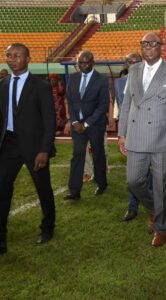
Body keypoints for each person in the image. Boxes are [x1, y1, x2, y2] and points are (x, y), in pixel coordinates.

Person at [118, 32, 166, 248]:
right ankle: (156, 208)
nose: (148, 47)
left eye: (153, 43)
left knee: (162, 186)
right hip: (136, 136)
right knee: (133, 181)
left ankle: (161, 228)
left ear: (160, 47)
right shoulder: (134, 70)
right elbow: (127, 104)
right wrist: (122, 133)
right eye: (144, 43)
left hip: (162, 139)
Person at [0, 43, 56, 254]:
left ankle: (48, 227)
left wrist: (44, 149)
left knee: (43, 188)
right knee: (2, 188)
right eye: (8, 55)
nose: (12, 59)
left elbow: (50, 121)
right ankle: (1, 238)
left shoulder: (40, 86)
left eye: (17, 55)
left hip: (34, 147)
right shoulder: (3, 84)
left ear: (28, 58)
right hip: (9, 145)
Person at [64, 51, 109, 200]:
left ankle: (101, 184)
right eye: (80, 63)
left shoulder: (102, 80)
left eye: (86, 62)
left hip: (95, 125)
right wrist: (75, 122)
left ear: (93, 62)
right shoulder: (73, 78)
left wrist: (87, 123)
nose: (83, 65)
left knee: (98, 154)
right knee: (77, 155)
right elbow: (70, 101)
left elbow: (103, 106)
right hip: (77, 126)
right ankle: (74, 190)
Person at [114, 52, 145, 222]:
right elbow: (121, 110)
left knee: (151, 174)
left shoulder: (147, 81)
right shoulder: (118, 83)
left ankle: (155, 207)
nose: (133, 64)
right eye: (130, 62)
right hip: (130, 135)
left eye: (137, 61)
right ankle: (132, 207)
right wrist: (121, 135)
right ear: (125, 65)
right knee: (133, 176)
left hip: (149, 134)